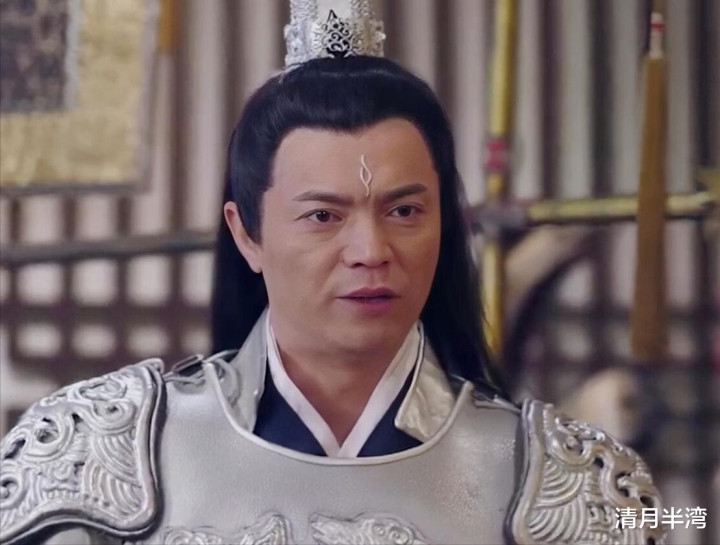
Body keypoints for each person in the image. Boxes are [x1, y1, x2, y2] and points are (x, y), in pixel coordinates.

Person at [0, 1, 665, 544]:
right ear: (247, 233)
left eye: (404, 210)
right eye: (323, 216)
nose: (370, 249)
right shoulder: (107, 456)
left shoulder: (559, 484)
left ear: (445, 222)